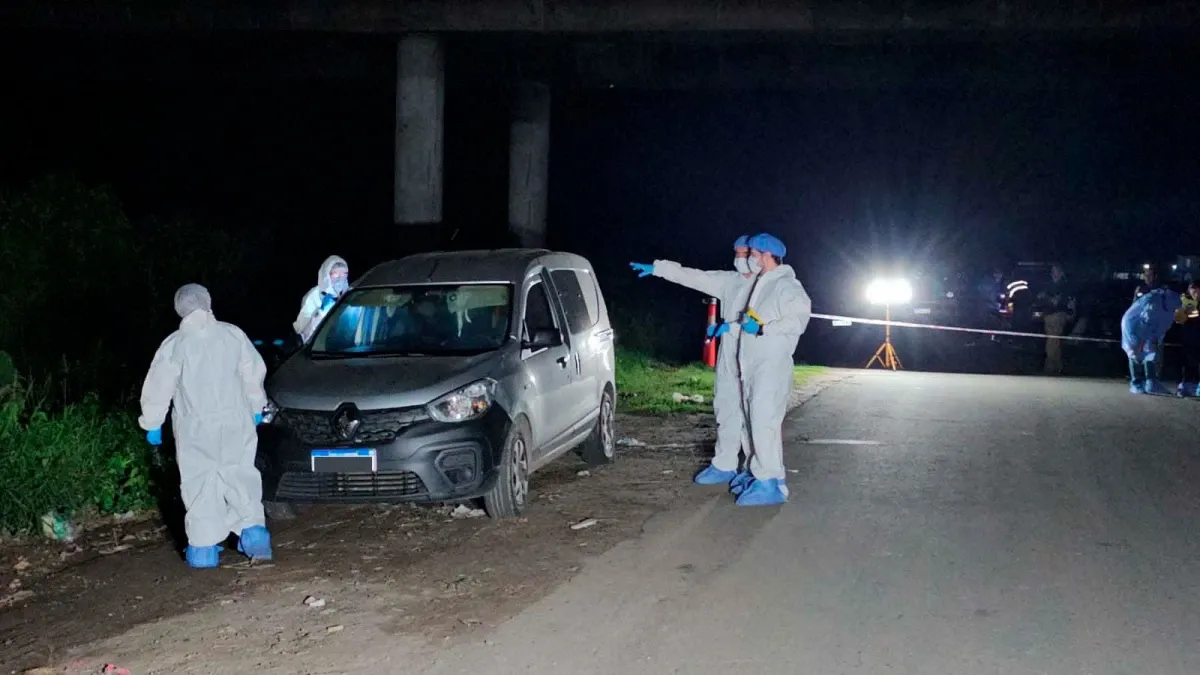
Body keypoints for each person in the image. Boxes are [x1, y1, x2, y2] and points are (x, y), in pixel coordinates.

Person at [139, 284, 272, 568]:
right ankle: (256, 537)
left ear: (179, 308)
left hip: (195, 427)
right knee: (241, 474)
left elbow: (159, 386)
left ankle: (203, 551)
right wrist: (257, 405)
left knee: (200, 484)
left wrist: (152, 422)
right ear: (208, 302)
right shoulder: (232, 334)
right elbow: (252, 372)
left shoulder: (175, 345)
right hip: (236, 421)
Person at [629, 235, 756, 487]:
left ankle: (755, 469)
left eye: (743, 254)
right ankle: (725, 463)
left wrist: (734, 327)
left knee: (754, 413)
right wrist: (659, 269)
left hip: (756, 354)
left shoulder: (767, 286)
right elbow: (694, 276)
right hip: (730, 354)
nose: (738, 259)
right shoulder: (729, 282)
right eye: (736, 254)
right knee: (726, 407)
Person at [728, 233, 812, 507]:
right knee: (754, 422)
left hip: (771, 366)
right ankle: (761, 474)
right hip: (754, 365)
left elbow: (797, 322)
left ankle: (770, 482)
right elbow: (754, 321)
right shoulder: (764, 284)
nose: (749, 258)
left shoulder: (787, 286)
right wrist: (733, 328)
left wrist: (764, 329)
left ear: (765, 255)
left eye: (752, 253)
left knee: (764, 423)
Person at [1121, 286, 1182, 395]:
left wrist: (1155, 339)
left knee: (1151, 353)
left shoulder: (1170, 304)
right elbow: (1145, 323)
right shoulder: (1154, 302)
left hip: (1150, 329)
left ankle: (1151, 382)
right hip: (1134, 327)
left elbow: (1163, 323)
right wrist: (1142, 342)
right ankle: (1137, 382)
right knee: (1135, 353)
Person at [294, 255, 350, 343]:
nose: (340, 279)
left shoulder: (349, 295)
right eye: (335, 274)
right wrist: (321, 313)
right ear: (326, 275)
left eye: (344, 274)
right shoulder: (314, 296)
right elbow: (304, 334)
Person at [1039, 264, 1076, 375]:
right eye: (1052, 271)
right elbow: (1042, 297)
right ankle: (1057, 366)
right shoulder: (1049, 285)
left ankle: (1051, 366)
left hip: (1058, 315)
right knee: (1053, 341)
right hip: (1048, 315)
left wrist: (1048, 298)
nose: (1053, 273)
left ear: (1061, 272)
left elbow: (1062, 301)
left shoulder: (1064, 286)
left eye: (1055, 271)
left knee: (1052, 340)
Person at [1175, 281, 1200, 397]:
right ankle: (1186, 387)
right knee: (1189, 363)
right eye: (1192, 289)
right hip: (1189, 338)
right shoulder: (1184, 302)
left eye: (1197, 289)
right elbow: (1178, 319)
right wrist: (1187, 310)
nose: (1195, 291)